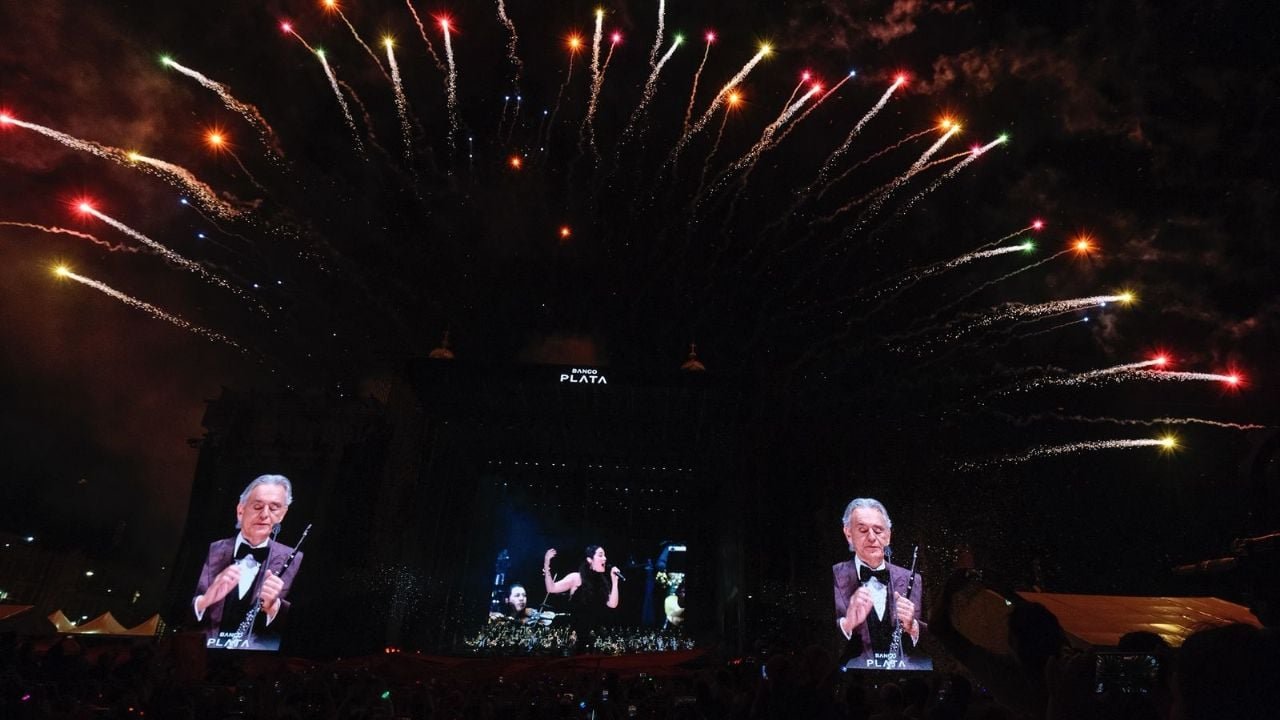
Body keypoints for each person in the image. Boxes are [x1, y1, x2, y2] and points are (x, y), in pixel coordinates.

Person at [192, 474, 303, 650]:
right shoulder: (208, 549)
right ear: (240, 510)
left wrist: (273, 607)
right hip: (199, 657)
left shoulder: (296, 559)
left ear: (283, 514)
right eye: (257, 506)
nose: (265, 515)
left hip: (258, 665)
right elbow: (174, 611)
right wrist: (204, 601)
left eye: (274, 508)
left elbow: (300, 626)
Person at [832, 498, 927, 669]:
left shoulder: (913, 579)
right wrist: (847, 624)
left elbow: (936, 637)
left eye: (878, 530)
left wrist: (913, 627)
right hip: (850, 678)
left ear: (888, 535)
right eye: (862, 530)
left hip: (905, 678)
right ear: (848, 534)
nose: (871, 537)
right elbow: (815, 637)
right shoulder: (833, 575)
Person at [543, 545, 620, 651]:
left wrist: (615, 581)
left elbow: (612, 604)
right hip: (576, 634)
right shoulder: (576, 578)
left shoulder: (602, 583)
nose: (605, 558)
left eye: (605, 556)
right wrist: (547, 564)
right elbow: (551, 588)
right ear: (590, 560)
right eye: (600, 555)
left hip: (595, 635)